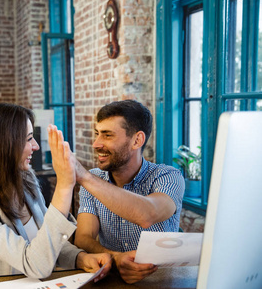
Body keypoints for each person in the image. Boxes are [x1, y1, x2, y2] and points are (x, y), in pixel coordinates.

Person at [0, 103, 111, 279]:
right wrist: (64, 186)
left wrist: (80, 258)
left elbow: (48, 240)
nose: (35, 146)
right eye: (28, 139)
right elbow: (35, 265)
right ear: (4, 144)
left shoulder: (26, 180)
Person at [72, 100, 185, 284]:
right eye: (97, 134)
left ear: (137, 140)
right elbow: (83, 238)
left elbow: (147, 213)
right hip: (112, 279)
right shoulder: (94, 179)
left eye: (107, 135)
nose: (96, 144)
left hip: (162, 281)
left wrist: (83, 176)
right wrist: (115, 257)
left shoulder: (168, 176)